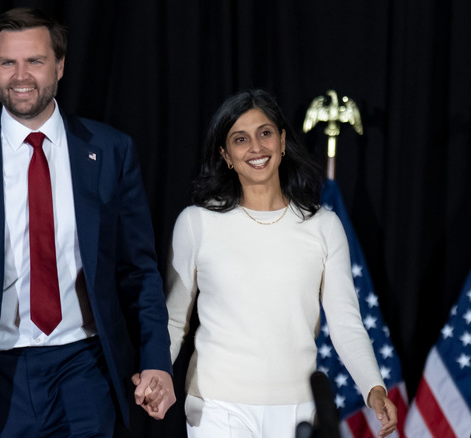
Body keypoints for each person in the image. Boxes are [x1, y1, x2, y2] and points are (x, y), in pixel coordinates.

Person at [0, 7, 175, 437]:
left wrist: (157, 359)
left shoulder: (110, 151)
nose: (20, 75)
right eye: (7, 62)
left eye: (35, 61)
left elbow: (138, 269)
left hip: (86, 369)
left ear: (60, 66)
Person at [165, 89, 397, 437]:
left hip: (298, 410)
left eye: (265, 133)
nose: (256, 147)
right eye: (240, 139)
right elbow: (173, 320)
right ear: (226, 155)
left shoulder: (323, 225)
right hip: (216, 407)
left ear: (283, 141)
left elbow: (346, 323)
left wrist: (373, 387)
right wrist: (156, 374)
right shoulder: (196, 222)